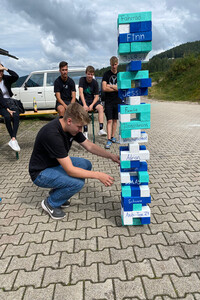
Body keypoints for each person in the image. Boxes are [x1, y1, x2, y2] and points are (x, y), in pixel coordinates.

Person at [29, 102, 120, 220]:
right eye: (79, 127)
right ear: (69, 121)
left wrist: (111, 156)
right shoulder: (52, 134)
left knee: (85, 164)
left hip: (54, 163)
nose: (80, 130)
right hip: (40, 173)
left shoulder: (71, 128)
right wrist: (98, 175)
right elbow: (71, 171)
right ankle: (50, 203)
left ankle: (58, 194)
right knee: (77, 183)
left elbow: (90, 146)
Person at [79, 65, 107, 139]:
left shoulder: (95, 83)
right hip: (84, 100)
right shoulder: (82, 79)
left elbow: (97, 96)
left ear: (93, 74)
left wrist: (92, 105)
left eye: (91, 74)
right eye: (88, 74)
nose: (90, 76)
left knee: (101, 108)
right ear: (86, 73)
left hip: (91, 100)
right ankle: (85, 132)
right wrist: (84, 104)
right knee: (84, 110)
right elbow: (81, 93)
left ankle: (101, 129)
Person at [102, 56, 121, 149]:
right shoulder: (106, 74)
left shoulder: (120, 75)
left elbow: (121, 88)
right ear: (110, 64)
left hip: (117, 100)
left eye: (115, 64)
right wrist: (115, 88)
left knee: (115, 120)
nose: (114, 66)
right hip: (108, 101)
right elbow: (104, 88)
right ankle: (109, 139)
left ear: (117, 64)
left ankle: (113, 137)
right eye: (112, 64)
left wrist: (111, 86)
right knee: (109, 120)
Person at [0, 63, 20, 151]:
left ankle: (13, 139)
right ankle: (13, 139)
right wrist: (7, 109)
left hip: (10, 102)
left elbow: (16, 76)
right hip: (1, 104)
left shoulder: (6, 78)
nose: (0, 72)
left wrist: (6, 68)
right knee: (7, 117)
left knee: (16, 115)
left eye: (1, 71)